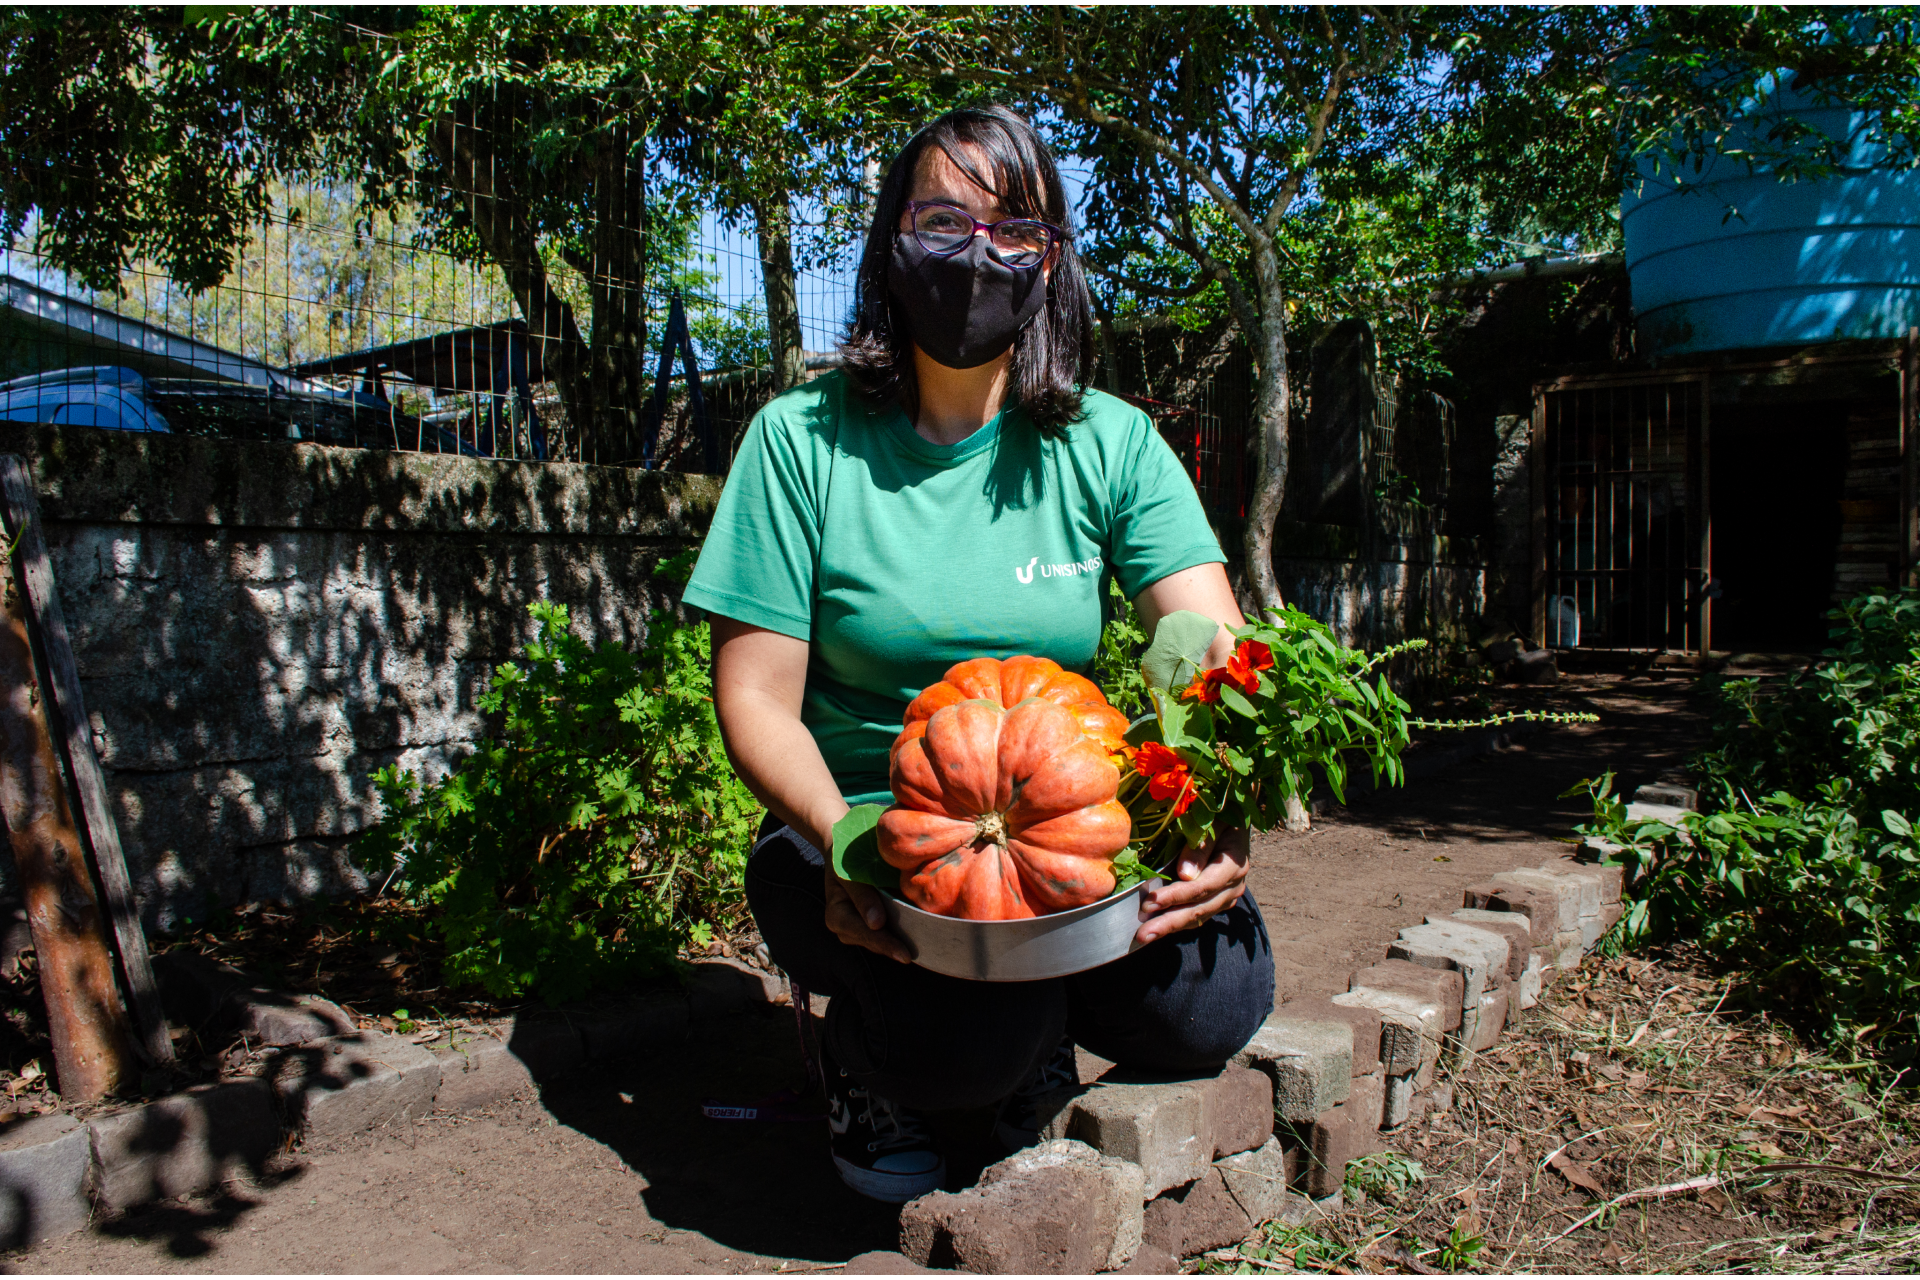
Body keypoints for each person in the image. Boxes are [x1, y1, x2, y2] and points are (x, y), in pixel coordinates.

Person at [683, 105, 1274, 1204]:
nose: (976, 254)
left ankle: (1026, 1018)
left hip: (1060, 823)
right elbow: (758, 700)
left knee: (1214, 998)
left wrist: (1216, 814)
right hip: (866, 832)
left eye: (1013, 230)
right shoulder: (799, 441)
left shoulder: (1107, 441)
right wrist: (843, 842)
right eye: (942, 218)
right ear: (891, 241)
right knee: (956, 1048)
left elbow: (1211, 651)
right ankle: (878, 1063)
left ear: (1051, 263)